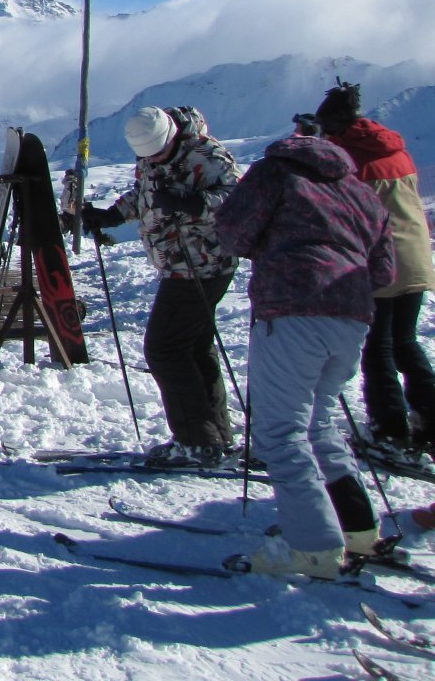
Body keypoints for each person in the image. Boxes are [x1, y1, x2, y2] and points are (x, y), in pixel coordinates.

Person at [215, 131, 395, 578]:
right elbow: (386, 268)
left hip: (293, 307)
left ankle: (313, 547)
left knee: (281, 432)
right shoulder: (358, 189)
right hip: (351, 312)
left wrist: (275, 249)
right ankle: (356, 528)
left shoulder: (275, 172)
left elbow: (233, 233)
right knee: (320, 421)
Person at [82, 106, 241, 467]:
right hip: (179, 263)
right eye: (147, 156)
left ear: (171, 135)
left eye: (158, 153)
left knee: (165, 348)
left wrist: (193, 204)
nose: (153, 160)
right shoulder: (153, 156)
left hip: (204, 262)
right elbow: (145, 194)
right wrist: (111, 214)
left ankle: (197, 441)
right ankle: (212, 435)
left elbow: (237, 197)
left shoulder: (207, 154)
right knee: (194, 347)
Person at [314, 79, 435, 463]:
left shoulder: (346, 159)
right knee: (406, 342)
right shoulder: (395, 148)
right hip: (416, 257)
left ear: (335, 128)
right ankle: (430, 420)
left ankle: (390, 432)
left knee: (378, 346)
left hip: (380, 262)